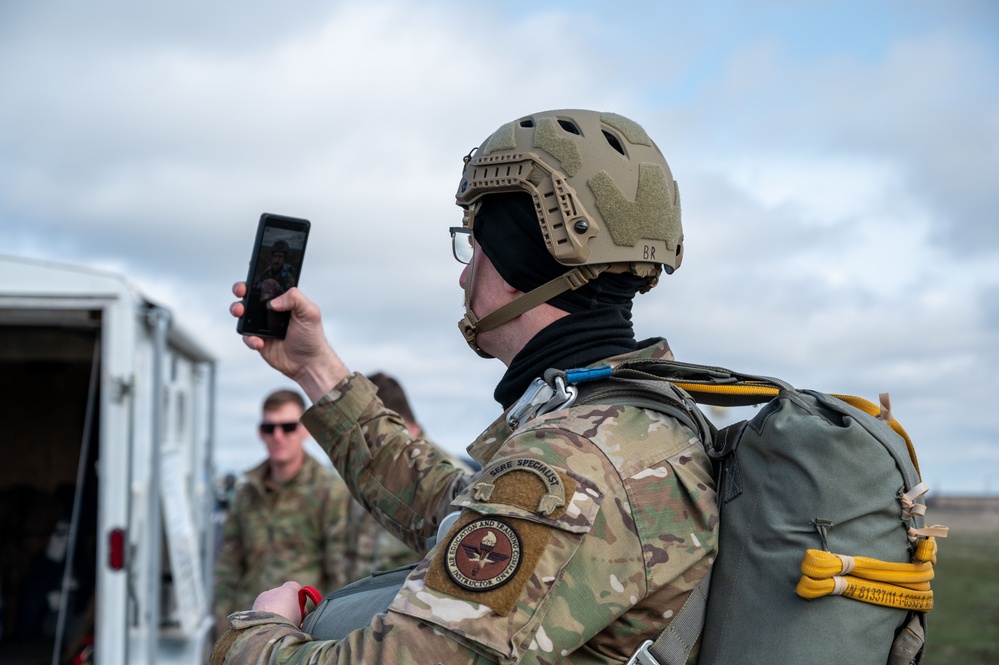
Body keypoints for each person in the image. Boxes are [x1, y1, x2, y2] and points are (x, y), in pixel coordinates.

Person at [214, 109, 719, 664]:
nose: (463, 273)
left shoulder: (573, 459)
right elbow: (452, 509)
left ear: (521, 260)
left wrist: (259, 633)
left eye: (476, 245)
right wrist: (315, 370)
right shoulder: (634, 422)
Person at [213, 389, 416, 636]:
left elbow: (340, 576)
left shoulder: (330, 492)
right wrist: (222, 627)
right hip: (246, 627)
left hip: (299, 635)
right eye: (270, 428)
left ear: (304, 431)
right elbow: (228, 568)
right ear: (260, 433)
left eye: (288, 427)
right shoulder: (246, 495)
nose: (278, 436)